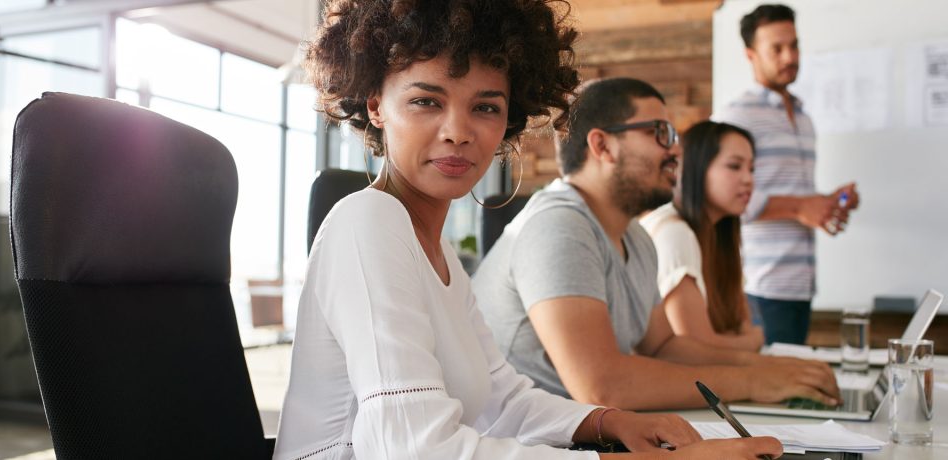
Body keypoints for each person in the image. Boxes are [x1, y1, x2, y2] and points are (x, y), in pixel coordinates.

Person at [272, 2, 781, 459]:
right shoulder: (368, 223)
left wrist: (610, 421)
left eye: (486, 107)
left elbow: (500, 396)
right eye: (427, 101)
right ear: (377, 106)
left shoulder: (437, 246)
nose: (458, 130)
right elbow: (414, 448)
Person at [473, 77, 840, 413]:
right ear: (603, 145)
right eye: (661, 133)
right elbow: (601, 386)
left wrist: (769, 366)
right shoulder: (558, 226)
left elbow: (664, 347)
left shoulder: (637, 237)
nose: (677, 152)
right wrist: (752, 381)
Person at [711, 4, 860, 345]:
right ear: (751, 55)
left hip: (802, 285)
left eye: (794, 45)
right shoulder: (737, 116)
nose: (789, 56)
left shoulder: (804, 117)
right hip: (760, 288)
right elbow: (720, 197)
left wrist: (830, 202)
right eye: (776, 49)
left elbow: (793, 195)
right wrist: (798, 208)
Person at [639, 120, 764, 352]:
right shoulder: (674, 232)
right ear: (696, 168)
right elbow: (697, 347)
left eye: (751, 169)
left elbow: (738, 324)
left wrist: (747, 339)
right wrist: (754, 340)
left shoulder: (720, 233)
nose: (748, 179)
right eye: (735, 166)